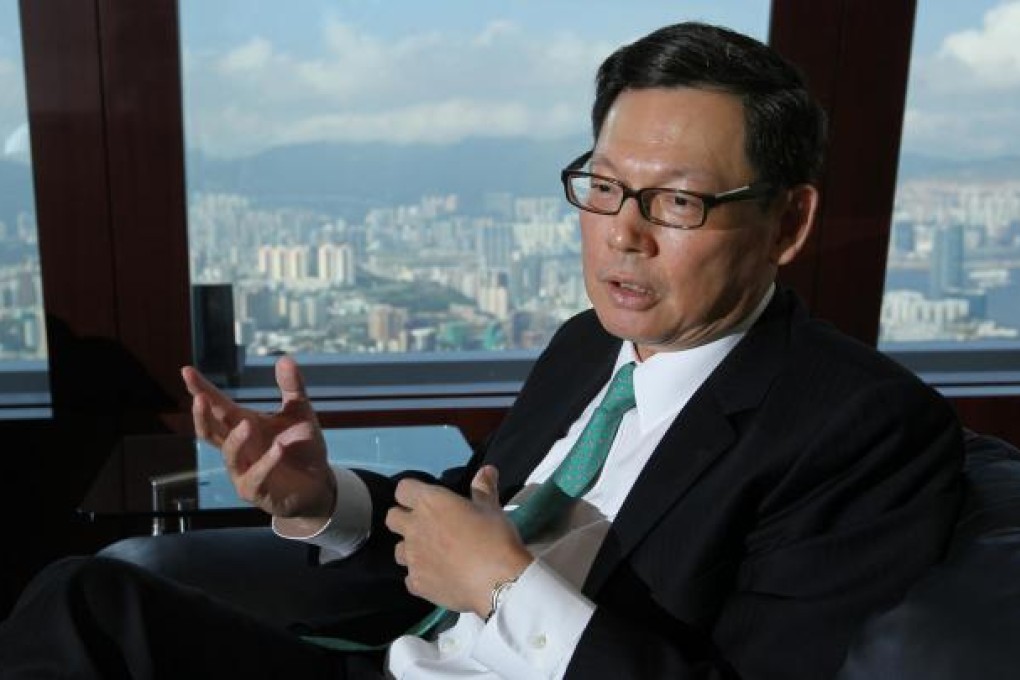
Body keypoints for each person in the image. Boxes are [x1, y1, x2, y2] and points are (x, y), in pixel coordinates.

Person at [0, 21, 962, 680]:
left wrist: (508, 589)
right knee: (81, 601)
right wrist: (318, 499)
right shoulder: (592, 344)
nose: (622, 235)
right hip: (391, 662)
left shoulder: (862, 430)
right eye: (605, 187)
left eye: (678, 202)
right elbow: (471, 514)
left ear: (789, 222)